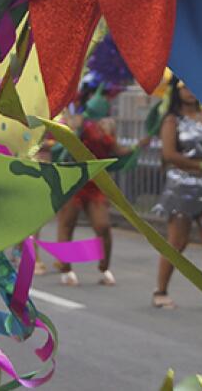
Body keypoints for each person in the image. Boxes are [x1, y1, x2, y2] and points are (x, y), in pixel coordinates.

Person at [152, 77, 202, 309]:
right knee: (177, 243)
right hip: (182, 185)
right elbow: (169, 154)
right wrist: (198, 166)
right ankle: (160, 290)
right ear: (177, 91)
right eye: (185, 87)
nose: (191, 92)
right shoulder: (172, 120)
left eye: (195, 86)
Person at [56, 90, 126, 287]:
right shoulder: (75, 119)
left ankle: (105, 268)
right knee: (67, 224)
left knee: (103, 226)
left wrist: (139, 147)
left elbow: (117, 149)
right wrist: (73, 125)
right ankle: (66, 269)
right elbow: (63, 141)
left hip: (96, 184)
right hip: (74, 180)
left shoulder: (105, 125)